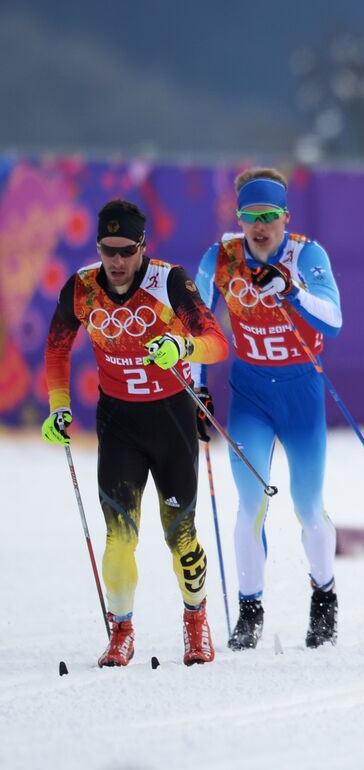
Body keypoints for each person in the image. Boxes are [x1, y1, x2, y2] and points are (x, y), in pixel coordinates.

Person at [42, 199, 229, 666]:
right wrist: (59, 408)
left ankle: (195, 622)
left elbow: (216, 343)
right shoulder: (83, 287)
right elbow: (56, 349)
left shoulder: (168, 281)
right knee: (119, 537)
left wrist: (182, 344)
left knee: (180, 535)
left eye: (127, 250)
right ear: (99, 248)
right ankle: (121, 631)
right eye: (109, 250)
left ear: (143, 246)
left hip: (172, 419)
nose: (118, 261)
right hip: (119, 422)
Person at [194, 168, 343, 650]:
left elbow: (335, 319)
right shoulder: (221, 257)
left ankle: (324, 598)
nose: (260, 227)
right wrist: (199, 390)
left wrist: (294, 291)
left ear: (285, 216)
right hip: (251, 395)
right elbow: (195, 326)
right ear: (239, 218)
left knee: (307, 507)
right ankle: (250, 608)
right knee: (251, 506)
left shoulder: (306, 254)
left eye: (269, 216)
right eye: (250, 217)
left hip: (301, 394)